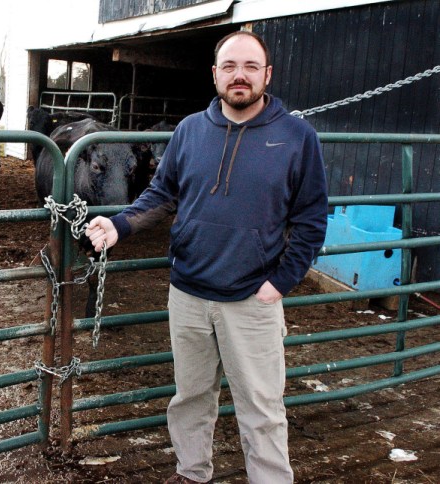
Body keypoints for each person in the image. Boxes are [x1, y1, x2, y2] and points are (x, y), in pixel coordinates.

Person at [85, 30, 328, 484]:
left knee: (261, 408)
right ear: (215, 74)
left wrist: (279, 283)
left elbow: (312, 220)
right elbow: (162, 194)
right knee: (191, 397)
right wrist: (118, 225)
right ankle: (192, 473)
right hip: (189, 294)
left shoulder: (297, 137)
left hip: (252, 300)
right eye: (230, 67)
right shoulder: (190, 130)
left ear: (267, 75)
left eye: (251, 67)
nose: (240, 76)